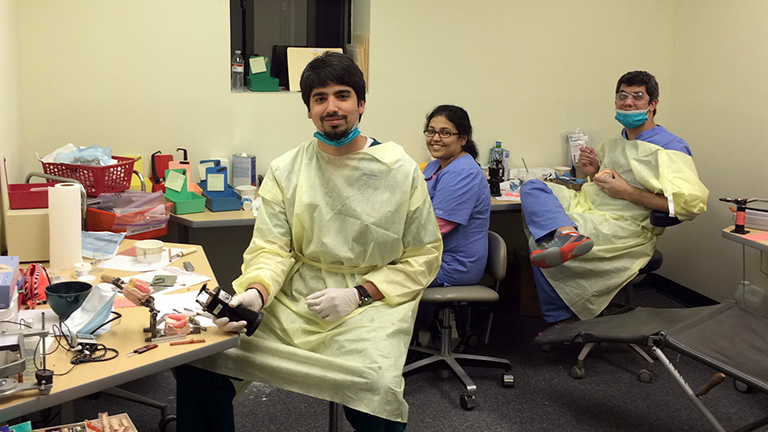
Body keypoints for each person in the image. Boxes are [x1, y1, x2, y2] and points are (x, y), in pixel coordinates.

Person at [175, 52, 443, 432]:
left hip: (370, 305)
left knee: (376, 389)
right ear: (309, 110)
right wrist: (256, 292)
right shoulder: (287, 169)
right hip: (293, 298)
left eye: (342, 95)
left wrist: (359, 293)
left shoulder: (398, 169)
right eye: (320, 98)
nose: (332, 107)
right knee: (202, 356)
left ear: (361, 104)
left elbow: (423, 255)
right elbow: (272, 247)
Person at [520, 70, 709, 324]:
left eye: (637, 96)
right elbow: (607, 183)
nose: (628, 102)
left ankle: (562, 320)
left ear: (653, 104)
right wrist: (594, 171)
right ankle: (567, 234)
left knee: (541, 241)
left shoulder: (669, 147)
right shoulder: (612, 144)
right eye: (622, 96)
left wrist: (627, 192)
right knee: (533, 187)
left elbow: (691, 206)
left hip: (625, 224)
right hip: (590, 205)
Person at [422, 105, 490, 287]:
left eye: (445, 133)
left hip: (452, 265)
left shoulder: (463, 172)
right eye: (431, 131)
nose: (435, 138)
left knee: (378, 274)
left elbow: (435, 228)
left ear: (463, 138)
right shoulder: (434, 166)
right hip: (432, 256)